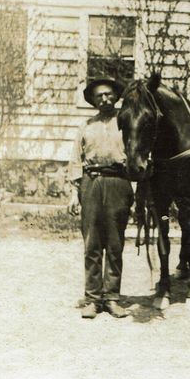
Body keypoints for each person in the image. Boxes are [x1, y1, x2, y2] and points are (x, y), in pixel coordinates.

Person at [68, 78, 134, 319]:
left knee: (115, 244)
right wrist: (74, 194)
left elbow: (137, 156)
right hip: (91, 184)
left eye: (108, 94)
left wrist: (135, 191)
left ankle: (113, 298)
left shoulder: (127, 124)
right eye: (99, 96)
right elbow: (76, 160)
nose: (104, 99)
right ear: (93, 101)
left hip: (119, 182)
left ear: (116, 96)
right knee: (92, 243)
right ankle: (93, 299)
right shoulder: (86, 125)